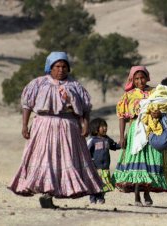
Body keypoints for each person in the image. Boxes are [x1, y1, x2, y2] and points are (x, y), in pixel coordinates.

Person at [8, 51, 103, 209]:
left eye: (64, 66)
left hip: (68, 127)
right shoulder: (38, 84)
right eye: (57, 66)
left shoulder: (75, 86)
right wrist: (24, 125)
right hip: (43, 127)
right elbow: (27, 106)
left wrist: (85, 125)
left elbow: (85, 108)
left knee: (66, 161)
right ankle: (47, 193)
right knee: (45, 160)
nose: (61, 70)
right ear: (50, 68)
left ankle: (52, 193)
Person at [113, 66, 167, 207]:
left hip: (152, 130)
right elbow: (121, 116)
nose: (140, 81)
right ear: (132, 79)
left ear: (147, 77)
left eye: (142, 77)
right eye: (136, 78)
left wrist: (160, 114)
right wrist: (121, 137)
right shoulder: (128, 95)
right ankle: (137, 194)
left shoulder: (155, 92)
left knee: (152, 161)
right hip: (135, 131)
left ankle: (147, 192)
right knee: (138, 163)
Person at [87, 118, 121, 204]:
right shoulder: (92, 140)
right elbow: (86, 152)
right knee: (95, 183)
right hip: (95, 168)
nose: (105, 128)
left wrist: (122, 144)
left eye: (105, 126)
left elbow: (114, 146)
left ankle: (101, 197)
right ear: (95, 129)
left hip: (105, 167)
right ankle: (93, 198)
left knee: (105, 184)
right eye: (102, 126)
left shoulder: (107, 139)